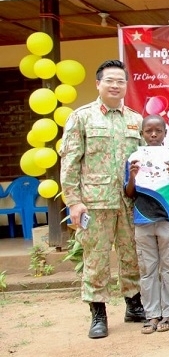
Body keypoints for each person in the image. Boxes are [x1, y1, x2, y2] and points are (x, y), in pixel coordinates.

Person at [60, 59, 146, 339]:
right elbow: (70, 161)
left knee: (132, 254)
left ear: (126, 85)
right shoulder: (81, 117)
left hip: (128, 201)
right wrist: (73, 201)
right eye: (109, 80)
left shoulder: (136, 119)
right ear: (98, 84)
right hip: (95, 203)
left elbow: (145, 160)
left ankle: (133, 304)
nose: (115, 85)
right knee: (96, 258)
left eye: (120, 81)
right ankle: (98, 312)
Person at [125, 115, 169, 335]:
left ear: (166, 133)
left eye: (158, 131)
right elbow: (129, 193)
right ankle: (152, 315)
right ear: (142, 134)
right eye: (149, 131)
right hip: (142, 219)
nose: (154, 135)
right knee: (147, 270)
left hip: (167, 217)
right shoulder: (134, 157)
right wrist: (132, 176)